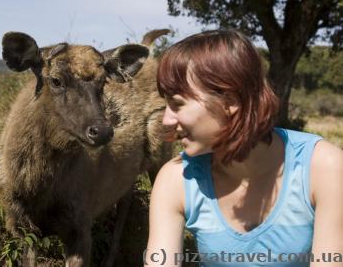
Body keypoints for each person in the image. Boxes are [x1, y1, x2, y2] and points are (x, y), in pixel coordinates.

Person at [145, 29, 343, 267]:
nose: (167, 120)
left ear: (230, 102)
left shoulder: (324, 167)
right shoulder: (176, 179)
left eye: (177, 104)